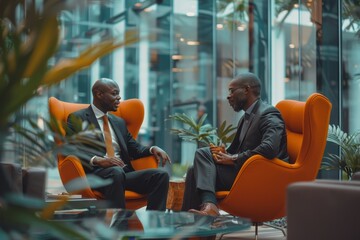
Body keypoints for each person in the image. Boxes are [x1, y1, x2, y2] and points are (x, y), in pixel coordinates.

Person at [181, 72, 289, 216]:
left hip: (262, 177)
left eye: (232, 91)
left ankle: (206, 211)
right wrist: (225, 154)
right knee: (194, 170)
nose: (228, 96)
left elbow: (270, 148)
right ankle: (197, 228)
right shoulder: (245, 118)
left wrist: (234, 158)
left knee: (202, 154)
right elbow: (235, 150)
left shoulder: (269, 113)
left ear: (246, 89)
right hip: (245, 172)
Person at [66, 78, 171, 210]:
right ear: (99, 94)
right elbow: (70, 149)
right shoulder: (77, 118)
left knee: (160, 176)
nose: (119, 97)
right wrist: (97, 160)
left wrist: (153, 149)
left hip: (122, 173)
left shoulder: (118, 122)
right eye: (114, 93)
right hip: (95, 174)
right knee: (115, 172)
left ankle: (154, 221)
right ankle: (118, 225)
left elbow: (134, 148)